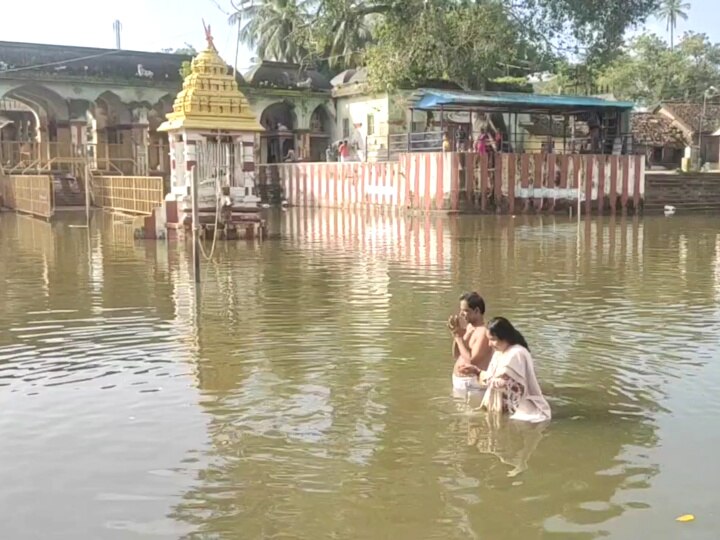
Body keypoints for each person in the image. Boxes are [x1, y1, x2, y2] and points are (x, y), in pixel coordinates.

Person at [480, 317, 551, 423]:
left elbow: (507, 385)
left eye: (493, 339)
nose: (489, 344)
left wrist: (478, 373)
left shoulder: (517, 353)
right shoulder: (499, 352)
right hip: (501, 408)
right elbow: (491, 377)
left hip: (520, 411)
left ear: (504, 337)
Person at [447, 292, 494, 393]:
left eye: (465, 311)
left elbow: (472, 362)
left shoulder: (484, 332)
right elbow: (456, 355)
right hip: (460, 382)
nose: (461, 314)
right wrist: (456, 332)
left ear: (477, 310)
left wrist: (459, 338)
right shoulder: (469, 328)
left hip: (473, 385)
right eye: (461, 310)